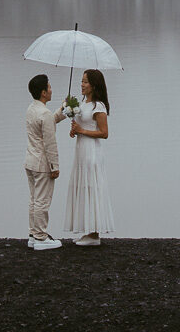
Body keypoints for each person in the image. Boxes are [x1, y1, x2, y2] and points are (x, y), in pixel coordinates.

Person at [63, 68, 115, 246]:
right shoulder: (82, 105)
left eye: (85, 82)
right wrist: (74, 130)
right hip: (81, 150)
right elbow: (80, 127)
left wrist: (81, 130)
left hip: (92, 151)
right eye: (81, 81)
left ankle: (94, 235)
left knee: (92, 186)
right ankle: (87, 230)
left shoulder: (97, 106)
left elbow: (104, 133)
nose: (82, 84)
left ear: (94, 85)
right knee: (83, 185)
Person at [23, 73, 65, 249]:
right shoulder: (44, 113)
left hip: (30, 161)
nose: (51, 89)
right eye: (48, 87)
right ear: (43, 92)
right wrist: (55, 166)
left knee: (34, 199)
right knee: (42, 200)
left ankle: (33, 234)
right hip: (42, 163)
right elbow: (50, 142)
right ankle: (41, 237)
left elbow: (47, 124)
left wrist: (62, 110)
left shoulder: (32, 109)